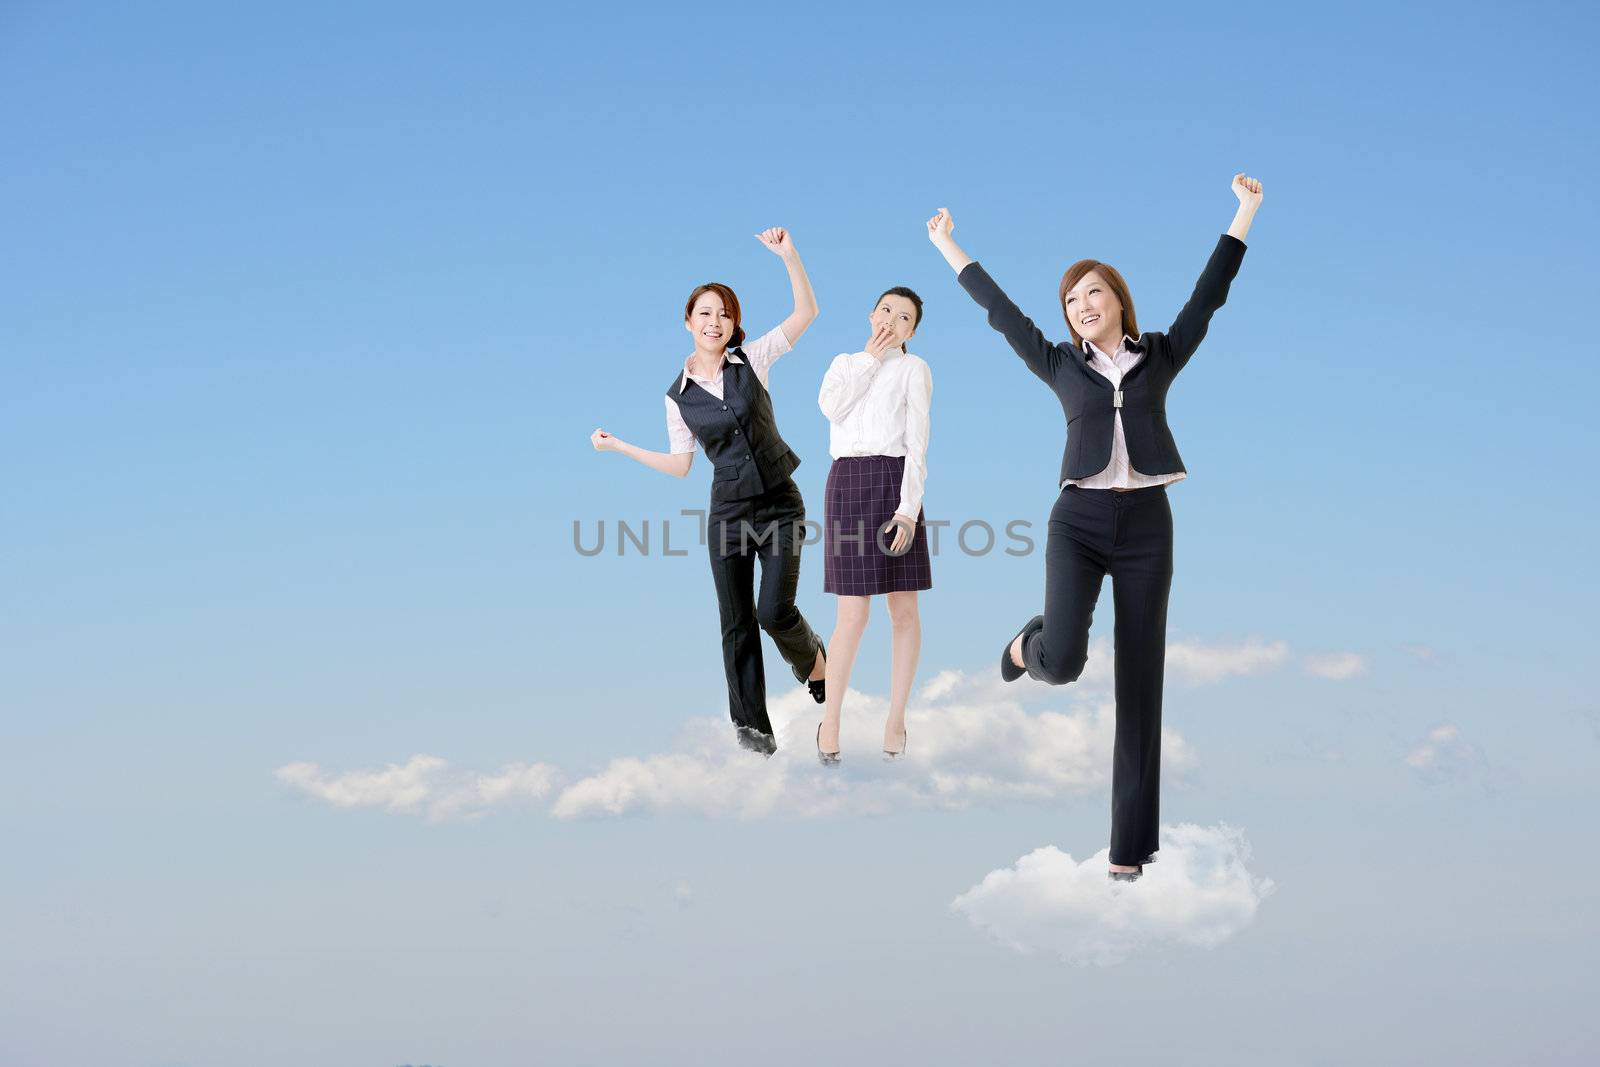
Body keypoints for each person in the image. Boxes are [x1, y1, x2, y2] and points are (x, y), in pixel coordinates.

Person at [925, 174, 1263, 879]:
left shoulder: (1160, 356)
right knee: (1069, 660)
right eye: (1071, 300)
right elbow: (1001, 313)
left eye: (1092, 293)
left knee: (1141, 683)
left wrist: (1245, 211)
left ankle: (1128, 853)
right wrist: (949, 245)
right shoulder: (1057, 364)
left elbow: (1210, 297)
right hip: (1076, 522)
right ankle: (1030, 643)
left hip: (1148, 526)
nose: (1080, 306)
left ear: (1117, 301)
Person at [591, 227, 828, 756]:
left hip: (780, 505)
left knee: (772, 611)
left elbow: (806, 312)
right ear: (688, 322)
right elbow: (680, 466)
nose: (714, 322)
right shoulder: (677, 396)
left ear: (733, 323)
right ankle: (753, 734)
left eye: (723, 313)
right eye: (705, 313)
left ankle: (814, 661)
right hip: (727, 514)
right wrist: (621, 447)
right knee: (735, 623)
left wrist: (790, 256)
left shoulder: (755, 360)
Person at [813, 287, 933, 765]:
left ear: (912, 331)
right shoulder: (844, 363)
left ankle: (896, 717)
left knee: (902, 611)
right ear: (871, 314)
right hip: (845, 482)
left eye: (904, 318)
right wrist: (868, 359)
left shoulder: (914, 370)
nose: (892, 320)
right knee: (852, 615)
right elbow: (832, 410)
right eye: (886, 310)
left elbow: (918, 443)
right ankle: (832, 719)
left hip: (894, 481)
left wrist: (908, 509)